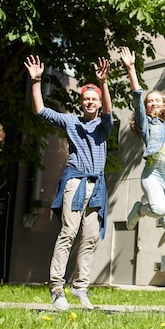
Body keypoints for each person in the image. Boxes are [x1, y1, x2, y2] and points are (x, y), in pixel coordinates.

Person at [24, 55, 114, 311]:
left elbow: (109, 109)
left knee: (90, 237)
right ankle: (56, 288)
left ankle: (80, 287)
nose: (90, 102)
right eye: (86, 98)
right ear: (81, 102)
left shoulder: (103, 126)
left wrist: (103, 82)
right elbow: (40, 110)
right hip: (75, 182)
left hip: (96, 186)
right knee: (68, 233)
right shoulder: (71, 121)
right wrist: (36, 81)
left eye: (94, 99)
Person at [119, 46, 165, 234]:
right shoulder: (146, 124)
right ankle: (139, 209)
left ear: (164, 103)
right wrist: (131, 69)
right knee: (160, 210)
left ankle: (148, 199)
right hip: (154, 173)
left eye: (157, 100)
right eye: (150, 101)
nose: (153, 103)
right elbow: (137, 96)